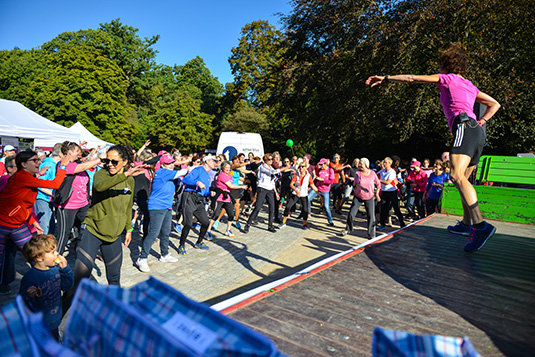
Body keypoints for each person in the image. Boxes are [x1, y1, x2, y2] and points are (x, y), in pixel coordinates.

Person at [366, 43, 501, 252]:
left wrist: (385, 78)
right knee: (462, 179)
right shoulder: (470, 85)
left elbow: (412, 78)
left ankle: (480, 226)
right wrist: (482, 122)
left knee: (456, 176)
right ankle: (467, 223)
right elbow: (495, 104)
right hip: (477, 132)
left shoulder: (447, 78)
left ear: (445, 66)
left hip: (464, 127)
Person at [62, 145, 145, 312]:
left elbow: (128, 206)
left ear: (125, 162)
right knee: (79, 281)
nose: (110, 164)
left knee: (114, 280)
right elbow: (100, 187)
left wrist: (129, 229)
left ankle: (116, 319)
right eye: (107, 160)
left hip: (114, 236)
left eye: (115, 161)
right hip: (93, 231)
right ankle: (52, 325)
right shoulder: (101, 175)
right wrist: (124, 175)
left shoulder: (129, 180)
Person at [0, 150, 68, 295]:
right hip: (3, 223)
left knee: (35, 252)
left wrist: (32, 221)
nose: (39, 162)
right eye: (35, 160)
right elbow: (55, 184)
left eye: (38, 160)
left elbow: (23, 203)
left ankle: (47, 279)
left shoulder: (25, 176)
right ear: (23, 164)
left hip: (17, 224)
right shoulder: (22, 177)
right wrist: (63, 166)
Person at [136, 154, 188, 272]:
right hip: (157, 207)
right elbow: (182, 172)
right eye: (169, 163)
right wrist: (191, 166)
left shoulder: (167, 173)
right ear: (163, 164)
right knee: (153, 233)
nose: (171, 165)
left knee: (166, 232)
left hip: (167, 207)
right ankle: (142, 258)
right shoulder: (162, 172)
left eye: (172, 163)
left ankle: (164, 255)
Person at [19, 234, 73, 341]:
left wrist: (66, 269)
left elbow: (67, 285)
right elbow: (22, 302)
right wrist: (28, 295)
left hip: (55, 318)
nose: (57, 254)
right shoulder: (31, 277)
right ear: (39, 257)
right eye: (52, 252)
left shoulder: (56, 269)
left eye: (56, 251)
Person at [54, 141, 100, 255]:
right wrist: (100, 159)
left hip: (83, 204)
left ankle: (81, 250)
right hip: (67, 205)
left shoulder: (77, 163)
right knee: (63, 234)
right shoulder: (64, 165)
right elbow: (83, 166)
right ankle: (55, 261)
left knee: (88, 228)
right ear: (69, 152)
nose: (79, 153)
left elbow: (84, 168)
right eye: (77, 151)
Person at [177, 155, 218, 254]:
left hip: (199, 201)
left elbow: (204, 192)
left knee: (205, 222)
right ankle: (181, 245)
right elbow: (185, 180)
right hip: (189, 197)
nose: (215, 163)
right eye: (213, 161)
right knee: (188, 223)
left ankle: (199, 242)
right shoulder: (198, 170)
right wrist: (197, 183)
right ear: (207, 161)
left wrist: (209, 194)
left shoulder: (207, 176)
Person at [341, 158, 381, 238]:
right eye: (359, 163)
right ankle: (347, 229)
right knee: (351, 213)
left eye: (361, 163)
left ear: (366, 164)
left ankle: (371, 234)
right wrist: (361, 188)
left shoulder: (372, 173)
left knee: (371, 216)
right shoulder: (358, 173)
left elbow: (378, 184)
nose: (359, 165)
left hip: (369, 197)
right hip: (358, 196)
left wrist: (377, 194)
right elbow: (356, 184)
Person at [207, 160, 247, 239]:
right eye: (226, 167)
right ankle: (208, 230)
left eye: (229, 167)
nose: (228, 169)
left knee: (231, 215)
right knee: (216, 215)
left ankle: (228, 230)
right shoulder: (222, 175)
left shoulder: (229, 175)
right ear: (222, 168)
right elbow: (230, 185)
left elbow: (231, 185)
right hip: (219, 197)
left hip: (227, 197)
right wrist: (241, 186)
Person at [243, 154, 281, 234]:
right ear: (265, 160)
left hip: (270, 189)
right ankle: (247, 224)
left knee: (272, 207)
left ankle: (270, 225)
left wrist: (276, 192)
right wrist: (283, 169)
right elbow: (272, 172)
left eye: (272, 159)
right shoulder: (262, 167)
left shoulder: (271, 167)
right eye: (269, 159)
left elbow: (272, 181)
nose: (271, 161)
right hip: (262, 188)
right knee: (258, 207)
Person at [279, 162, 319, 230]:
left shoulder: (308, 176)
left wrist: (319, 194)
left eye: (303, 166)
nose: (301, 168)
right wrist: (296, 190)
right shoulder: (296, 174)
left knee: (305, 210)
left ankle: (304, 224)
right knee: (288, 206)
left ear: (306, 167)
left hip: (304, 194)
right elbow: (291, 184)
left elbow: (312, 185)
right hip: (296, 193)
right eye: (300, 167)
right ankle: (283, 222)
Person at [34, 143, 62, 236]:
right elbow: (38, 184)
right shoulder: (48, 164)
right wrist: (52, 193)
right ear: (61, 154)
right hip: (42, 198)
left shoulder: (55, 164)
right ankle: (40, 248)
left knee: (51, 227)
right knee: (43, 227)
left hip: (49, 199)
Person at [377, 157, 406, 230]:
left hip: (392, 192)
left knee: (396, 208)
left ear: (390, 163)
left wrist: (378, 180)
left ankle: (402, 223)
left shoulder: (392, 172)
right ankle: (382, 224)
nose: (384, 164)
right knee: (383, 209)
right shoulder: (382, 171)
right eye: (384, 162)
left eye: (386, 162)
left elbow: (387, 182)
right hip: (384, 192)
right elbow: (374, 175)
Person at [308, 158, 335, 226]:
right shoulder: (319, 170)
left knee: (326, 206)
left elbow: (331, 181)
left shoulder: (330, 170)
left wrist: (323, 180)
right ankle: (306, 213)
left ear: (325, 164)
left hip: (325, 191)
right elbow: (316, 178)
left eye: (321, 164)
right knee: (307, 198)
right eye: (319, 164)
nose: (320, 165)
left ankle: (330, 220)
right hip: (317, 189)